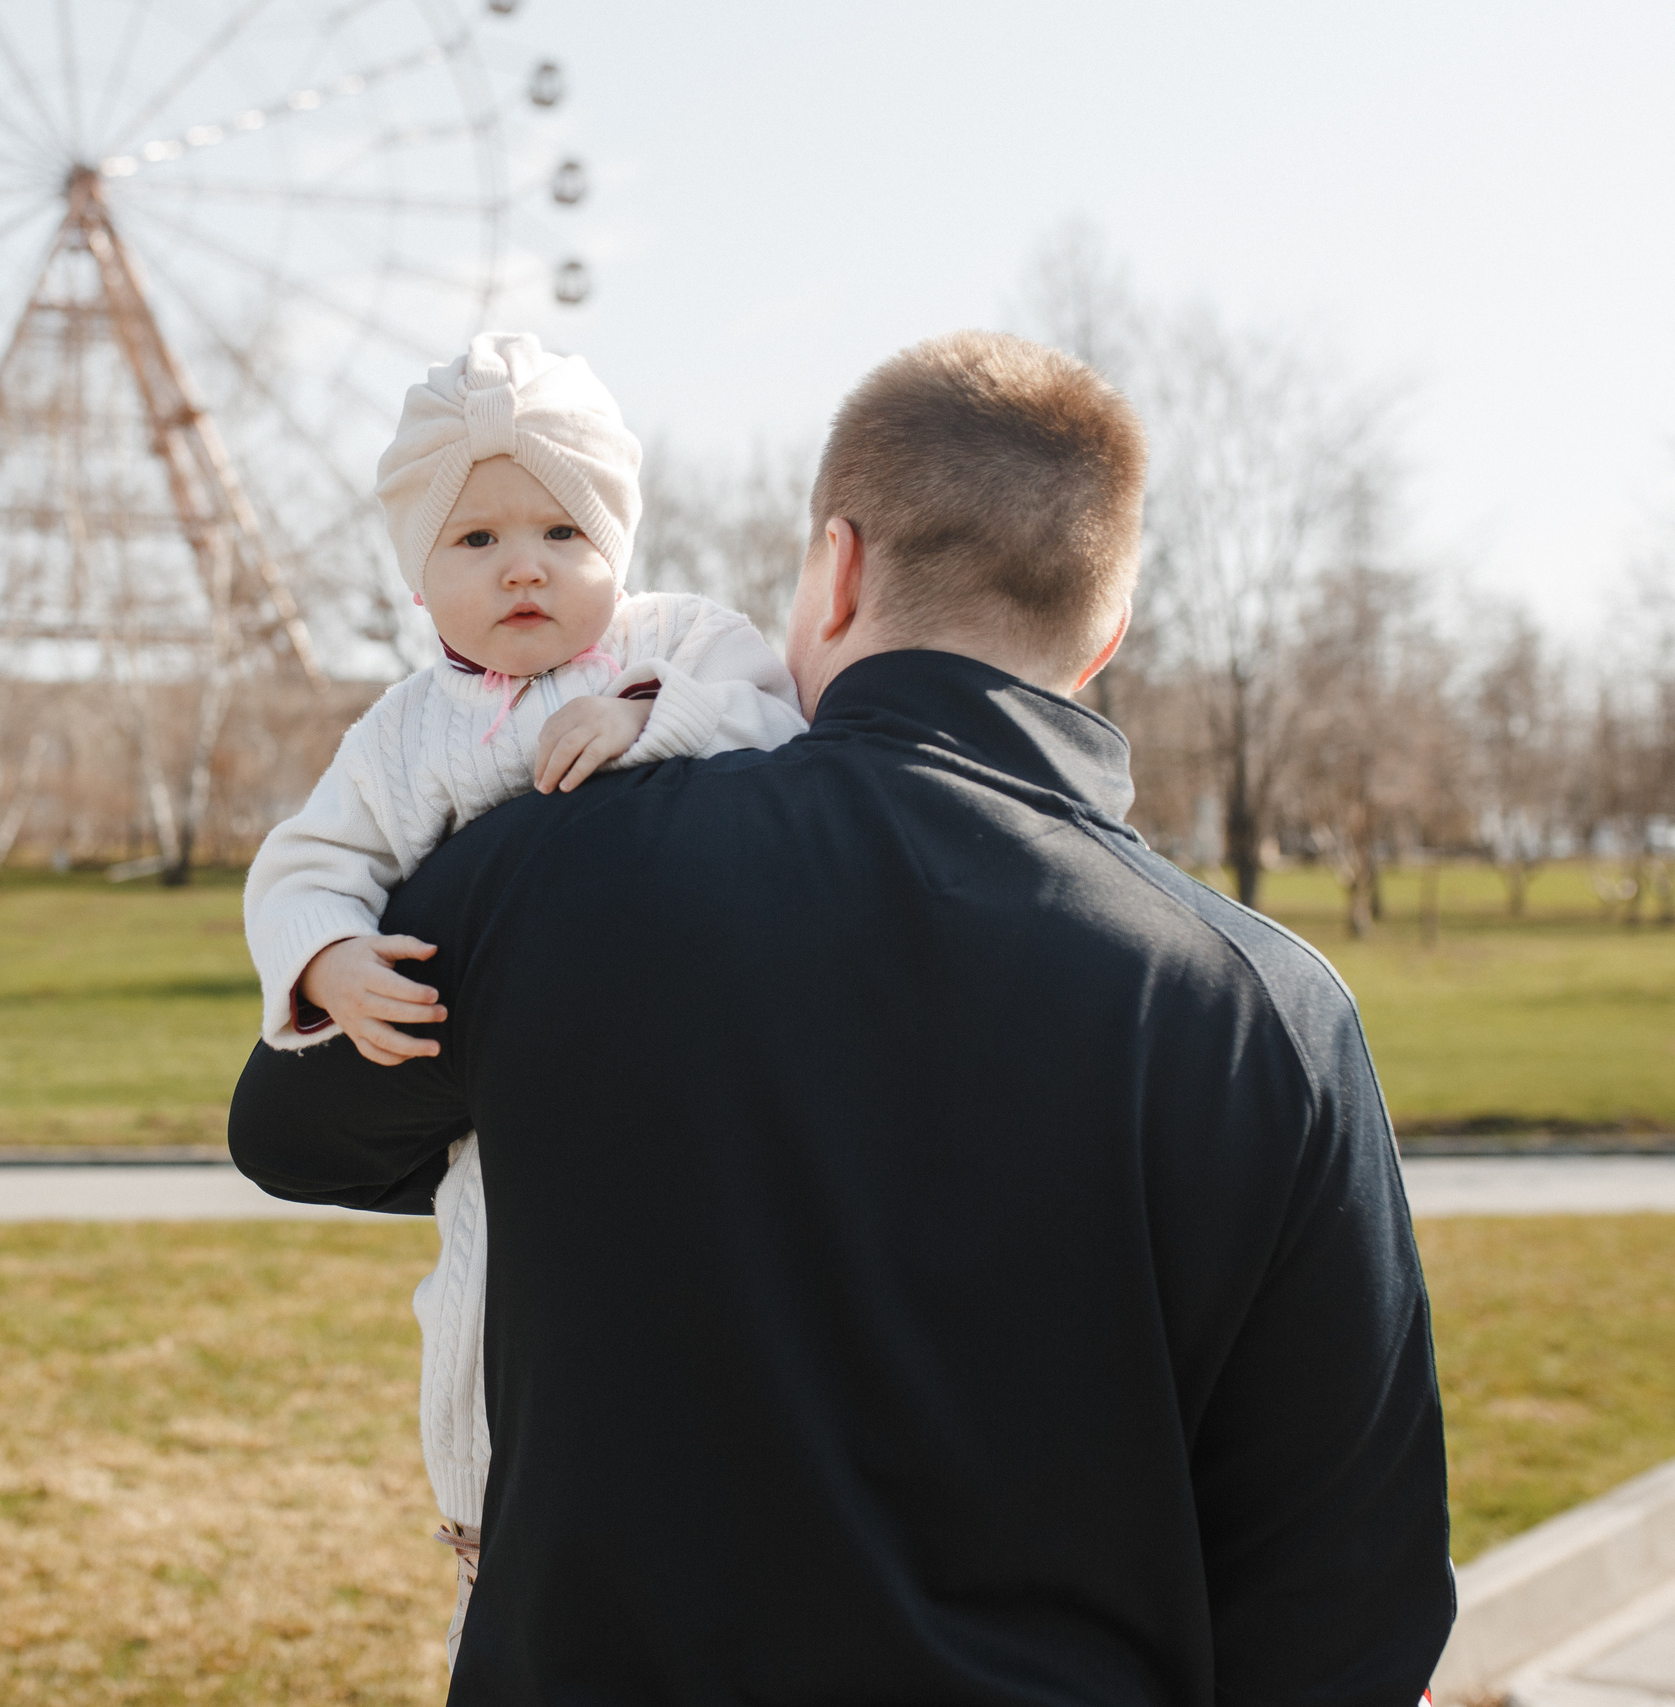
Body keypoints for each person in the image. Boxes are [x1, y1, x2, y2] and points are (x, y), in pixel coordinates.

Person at [230, 330, 1454, 1704]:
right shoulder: (1269, 1011)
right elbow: (1350, 1602)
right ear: (1105, 638)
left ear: (837, 569)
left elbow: (297, 1132)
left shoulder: (552, 861)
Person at [241, 331, 810, 1661]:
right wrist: (326, 959)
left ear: (618, 535)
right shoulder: (398, 736)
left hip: (690, 1090)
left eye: (564, 528)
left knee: (703, 1318)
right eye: (478, 539)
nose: (526, 566)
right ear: (420, 575)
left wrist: (647, 722)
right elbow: (306, 867)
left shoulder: (679, 648)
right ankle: (487, 1563)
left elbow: (779, 730)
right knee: (479, 1321)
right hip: (500, 1125)